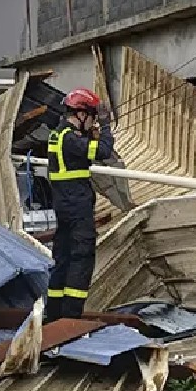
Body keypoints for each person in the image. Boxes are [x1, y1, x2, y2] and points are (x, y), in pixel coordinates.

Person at [45, 88, 114, 322]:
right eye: (92, 116)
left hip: (63, 206)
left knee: (62, 258)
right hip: (77, 207)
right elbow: (104, 151)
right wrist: (105, 127)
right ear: (82, 114)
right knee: (81, 259)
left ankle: (53, 315)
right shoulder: (70, 138)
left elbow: (79, 156)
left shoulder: (59, 134)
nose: (93, 121)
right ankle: (70, 319)